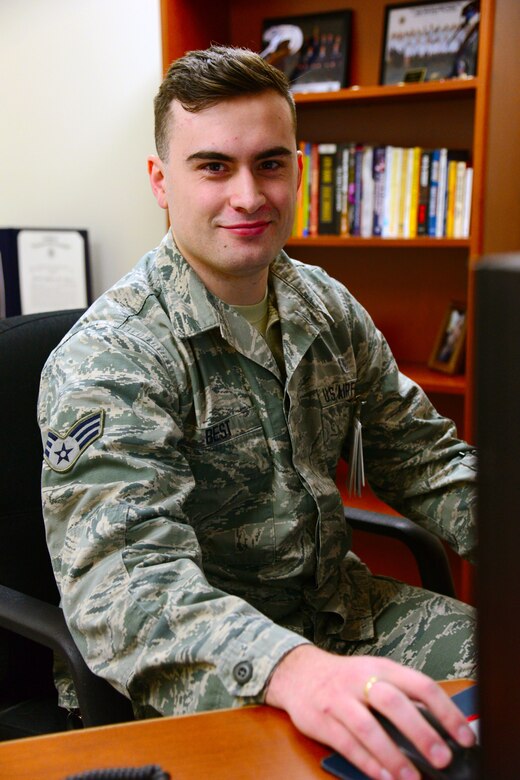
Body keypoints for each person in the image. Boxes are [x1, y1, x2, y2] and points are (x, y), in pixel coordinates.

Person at [38, 45, 477, 780]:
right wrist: (292, 670)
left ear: (298, 169)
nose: (249, 195)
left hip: (341, 615)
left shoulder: (324, 304)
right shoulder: (113, 355)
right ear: (160, 181)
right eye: (214, 166)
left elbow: (424, 459)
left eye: (270, 164)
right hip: (201, 663)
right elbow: (128, 584)